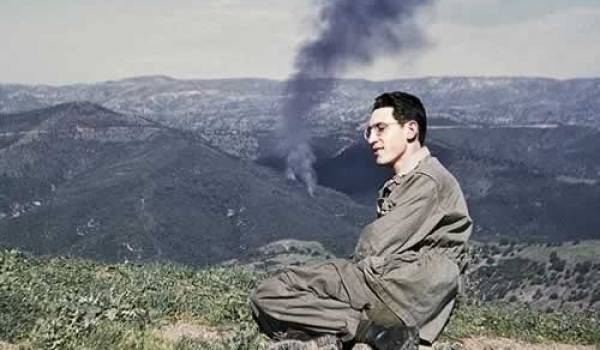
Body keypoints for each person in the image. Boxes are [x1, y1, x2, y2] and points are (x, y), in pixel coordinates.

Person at [251, 91, 472, 350]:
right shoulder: (417, 179)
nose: (372, 139)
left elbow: (377, 245)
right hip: (407, 291)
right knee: (304, 303)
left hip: (397, 289)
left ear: (411, 129)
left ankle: (372, 332)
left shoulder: (427, 181)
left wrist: (343, 272)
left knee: (270, 293)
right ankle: (325, 338)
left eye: (381, 128)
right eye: (369, 131)